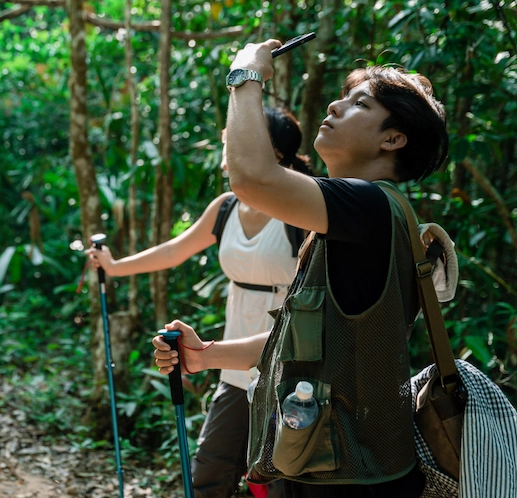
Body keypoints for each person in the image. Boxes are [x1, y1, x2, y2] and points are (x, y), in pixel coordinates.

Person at [153, 39, 448, 498]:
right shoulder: (359, 218)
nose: (335, 104)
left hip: (350, 477)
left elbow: (249, 177)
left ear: (392, 139)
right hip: (335, 465)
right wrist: (207, 355)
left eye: (359, 104)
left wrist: (246, 74)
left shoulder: (369, 206)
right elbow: (306, 340)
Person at [87, 108, 309, 498]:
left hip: (290, 370)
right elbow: (176, 249)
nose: (227, 147)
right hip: (233, 367)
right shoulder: (226, 206)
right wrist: (115, 267)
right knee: (210, 472)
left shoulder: (303, 203)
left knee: (282, 483)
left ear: (273, 151)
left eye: (235, 138)